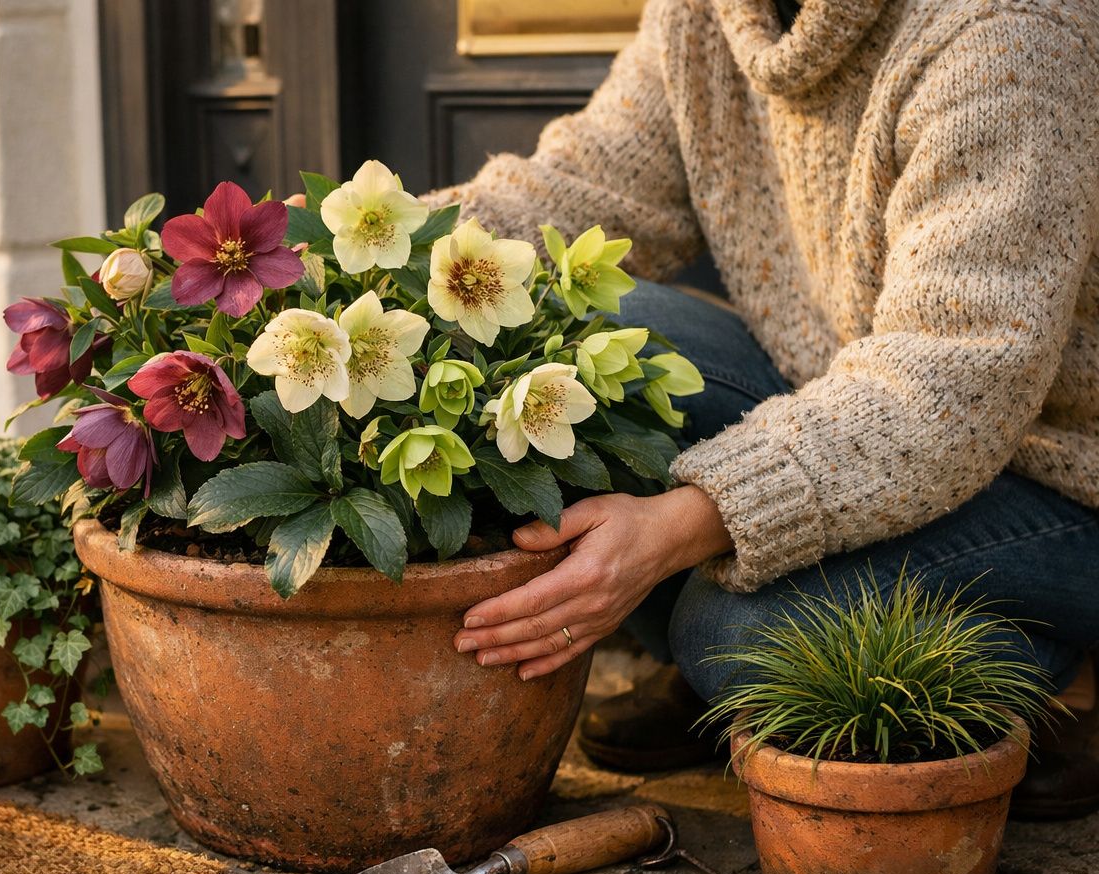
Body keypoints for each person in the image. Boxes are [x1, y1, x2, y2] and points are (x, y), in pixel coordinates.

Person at [432, 0, 1099, 818]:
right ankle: (742, 682)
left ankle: (1041, 687)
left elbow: (952, 379)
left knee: (736, 638)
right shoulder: (710, 15)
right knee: (577, 338)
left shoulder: (1008, 34)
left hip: (1055, 476)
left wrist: (682, 523)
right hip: (853, 403)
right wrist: (358, 265)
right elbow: (579, 190)